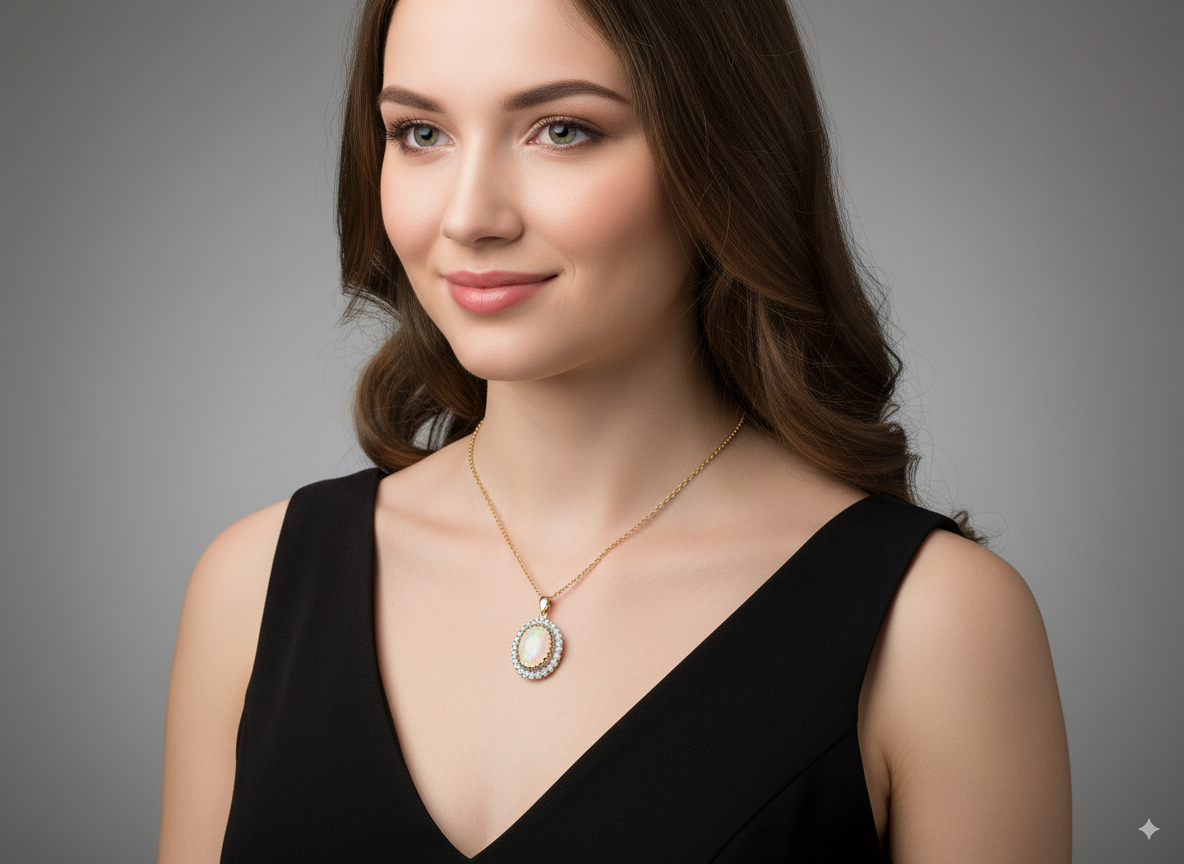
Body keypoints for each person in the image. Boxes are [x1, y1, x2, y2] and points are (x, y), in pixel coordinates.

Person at [159, 0, 1072, 860]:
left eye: (563, 130)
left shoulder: (938, 626)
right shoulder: (252, 587)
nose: (469, 217)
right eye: (420, 133)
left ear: (723, 152)